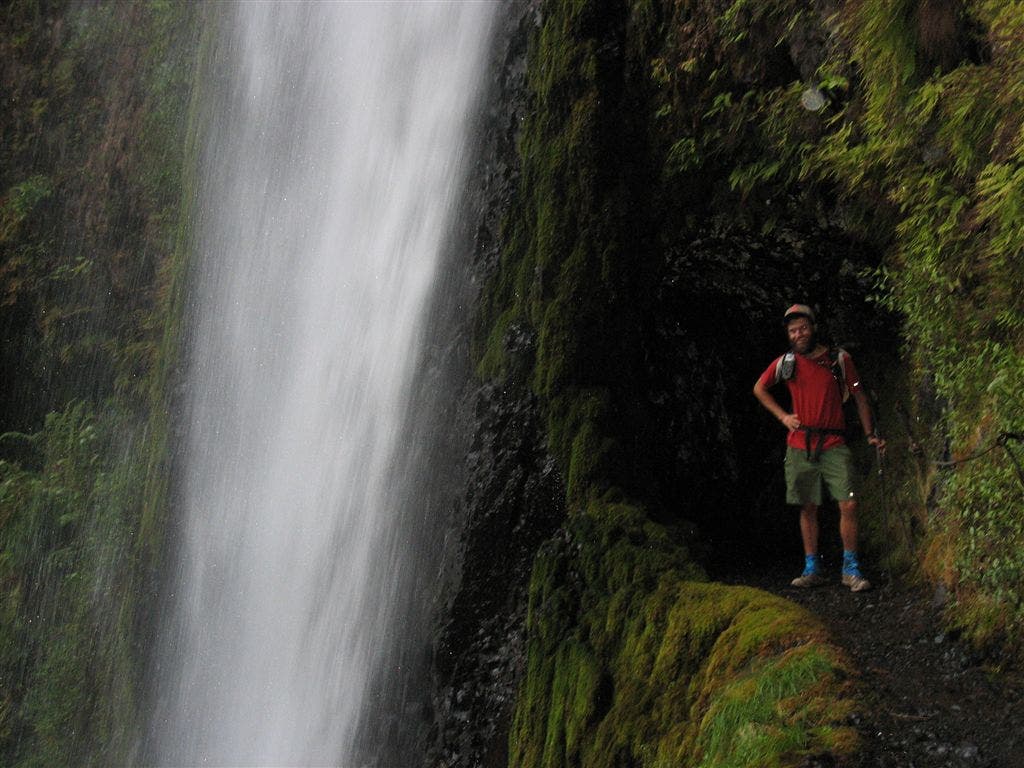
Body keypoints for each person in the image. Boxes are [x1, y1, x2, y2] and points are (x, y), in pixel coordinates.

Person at [752, 304, 885, 592]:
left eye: (803, 328)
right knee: (807, 506)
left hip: (834, 442)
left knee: (848, 503)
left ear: (813, 328)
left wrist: (870, 434)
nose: (798, 334)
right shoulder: (786, 362)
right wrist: (783, 417)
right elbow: (759, 388)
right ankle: (811, 568)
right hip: (800, 444)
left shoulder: (839, 359)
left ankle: (850, 569)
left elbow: (859, 393)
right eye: (792, 331)